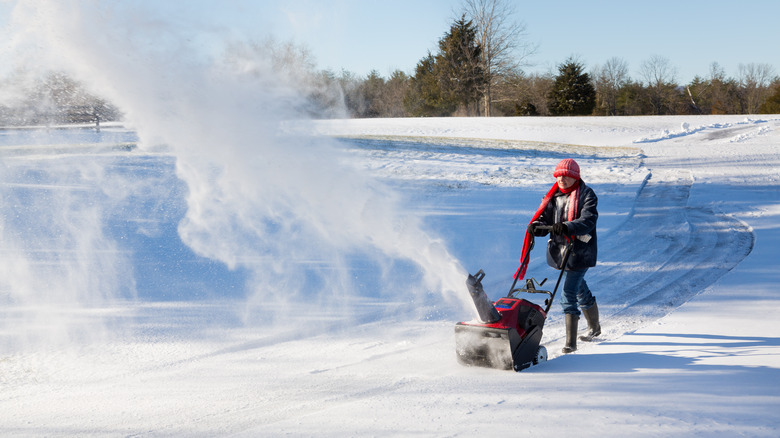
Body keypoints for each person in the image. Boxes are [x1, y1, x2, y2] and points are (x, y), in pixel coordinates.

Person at [524, 158, 601, 354]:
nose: (561, 179)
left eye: (565, 176)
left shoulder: (587, 195)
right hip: (561, 252)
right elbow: (545, 217)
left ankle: (571, 344)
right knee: (579, 289)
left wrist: (567, 226)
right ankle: (595, 327)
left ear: (575, 177)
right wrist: (537, 227)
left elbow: (588, 220)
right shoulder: (553, 196)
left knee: (568, 294)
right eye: (558, 175)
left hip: (580, 251)